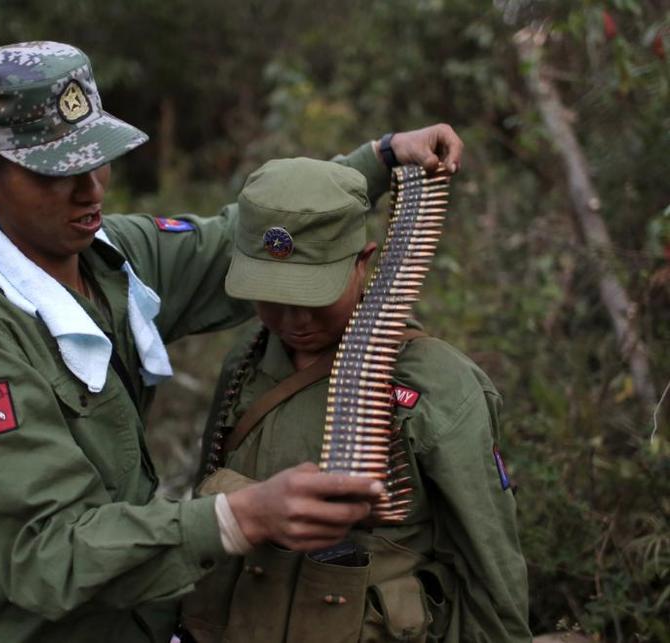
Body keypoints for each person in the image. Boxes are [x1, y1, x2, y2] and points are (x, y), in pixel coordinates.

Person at [0, 40, 466, 643]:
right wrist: (237, 517)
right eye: (57, 174)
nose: (92, 191)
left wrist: (380, 157)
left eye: (98, 160)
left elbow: (239, 244)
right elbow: (45, 557)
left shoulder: (109, 257)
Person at [180, 157, 531, 642]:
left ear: (363, 262)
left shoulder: (435, 381)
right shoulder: (247, 359)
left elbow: (488, 562)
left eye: (312, 295)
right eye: (273, 296)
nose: (294, 320)